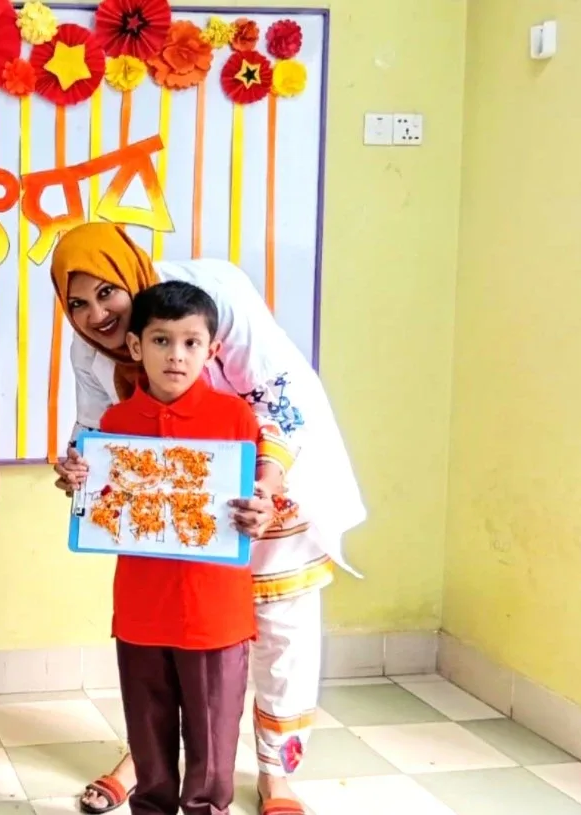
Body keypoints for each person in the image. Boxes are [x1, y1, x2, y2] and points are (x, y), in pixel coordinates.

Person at [48, 223, 365, 815]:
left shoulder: (217, 296)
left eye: (107, 292)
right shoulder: (89, 347)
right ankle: (146, 766)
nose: (96, 315)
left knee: (279, 631)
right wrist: (78, 471)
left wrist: (266, 489)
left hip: (269, 479)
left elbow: (278, 408)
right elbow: (95, 432)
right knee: (163, 641)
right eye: (78, 303)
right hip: (172, 521)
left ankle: (276, 773)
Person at [96, 280, 271, 815]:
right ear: (135, 346)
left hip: (214, 616)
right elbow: (105, 510)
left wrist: (261, 511)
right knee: (147, 735)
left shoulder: (236, 419)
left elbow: (259, 498)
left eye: (191, 342)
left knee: (212, 746)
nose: (177, 355)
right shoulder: (114, 425)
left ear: (212, 350)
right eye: (161, 340)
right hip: (141, 611)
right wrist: (82, 484)